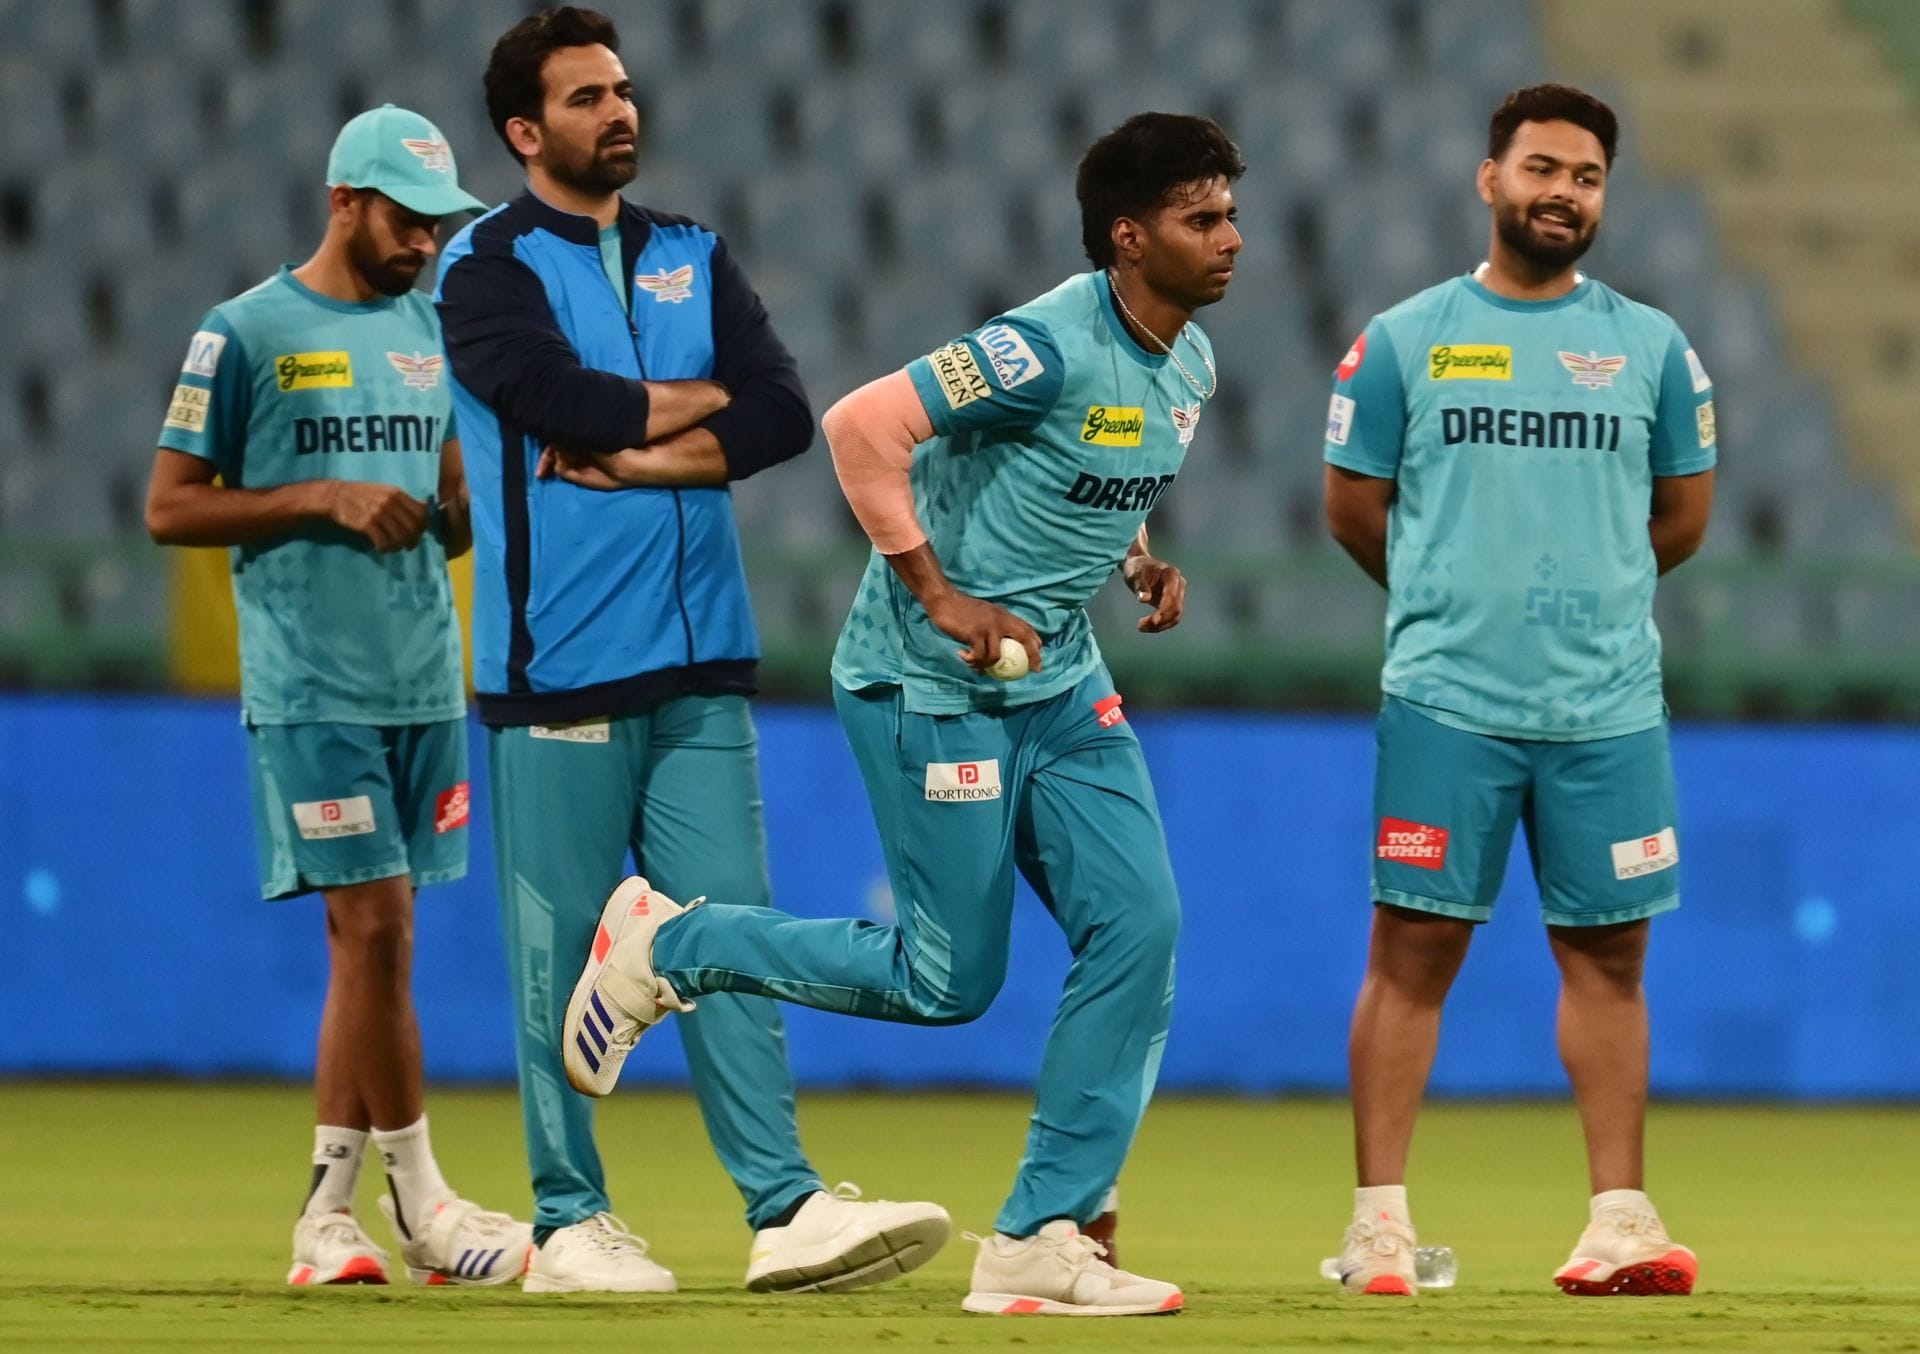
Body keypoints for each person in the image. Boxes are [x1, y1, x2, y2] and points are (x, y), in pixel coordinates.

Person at [552, 111, 1244, 1317]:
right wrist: (939, 593)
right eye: (1203, 217)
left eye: (1230, 211)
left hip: (1063, 682)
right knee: (947, 980)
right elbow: (861, 426)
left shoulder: (1189, 360)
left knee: (1142, 926)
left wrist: (1133, 557)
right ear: (1130, 237)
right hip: (930, 687)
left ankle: (1039, 1233)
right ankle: (671, 944)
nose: (1232, 236)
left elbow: (1098, 465)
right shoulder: (1039, 344)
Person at [433, 6, 948, 1295]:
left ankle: (781, 1206)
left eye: (622, 90)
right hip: (558, 665)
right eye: (586, 97)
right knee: (556, 958)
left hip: (705, 655)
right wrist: (692, 406)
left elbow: (779, 408)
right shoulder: (482, 269)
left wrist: (651, 448)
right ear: (523, 129)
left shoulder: (690, 253)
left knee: (722, 936)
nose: (620, 112)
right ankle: (568, 1220)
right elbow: (565, 405)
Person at [1321, 83, 1714, 1297]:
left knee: (1610, 961)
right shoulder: (1402, 339)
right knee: (1414, 948)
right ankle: (1380, 1225)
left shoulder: (1653, 348)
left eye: (1587, 176)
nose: (1563, 192)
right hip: (1449, 703)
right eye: (1541, 168)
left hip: (1608, 707)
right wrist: (1450, 602)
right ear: (1489, 180)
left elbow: (1679, 520)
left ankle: (1620, 1221)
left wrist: (1583, 601)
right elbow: (1352, 505)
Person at [145, 106, 531, 1287]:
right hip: (313, 682)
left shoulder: (433, 328)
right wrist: (322, 497)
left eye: (437, 225)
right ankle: (424, 1202)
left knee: (371, 951)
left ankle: (328, 1215)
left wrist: (474, 507)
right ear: (343, 203)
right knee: (377, 926)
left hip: (424, 680)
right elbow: (171, 506)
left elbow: (453, 487)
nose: (424, 243)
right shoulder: (246, 331)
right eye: (406, 222)